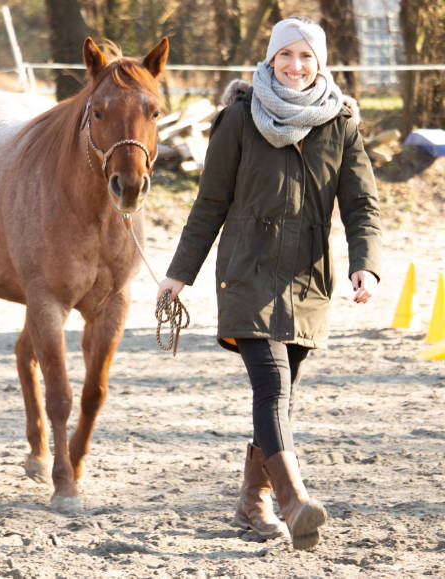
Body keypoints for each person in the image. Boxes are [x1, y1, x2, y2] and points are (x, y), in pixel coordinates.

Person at [158, 16, 381, 551]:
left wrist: (365, 262)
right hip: (247, 272)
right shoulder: (237, 119)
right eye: (287, 56)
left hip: (308, 279)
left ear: (320, 63)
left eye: (307, 57)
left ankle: (251, 502)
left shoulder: (341, 124)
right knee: (272, 386)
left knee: (280, 399)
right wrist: (178, 274)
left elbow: (361, 203)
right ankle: (292, 500)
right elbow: (210, 202)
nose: (296, 66)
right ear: (270, 58)